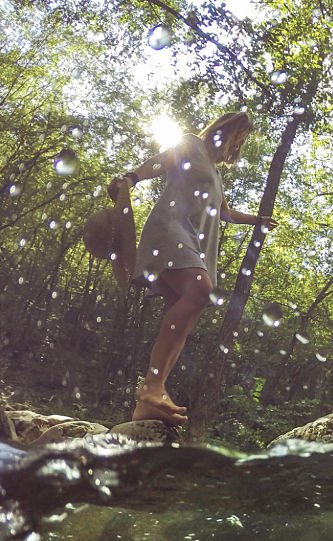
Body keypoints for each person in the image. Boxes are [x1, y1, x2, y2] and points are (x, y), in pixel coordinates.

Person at [109, 111, 278, 427]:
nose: (236, 147)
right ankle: (151, 387)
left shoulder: (215, 174)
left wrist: (259, 220)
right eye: (237, 139)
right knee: (200, 291)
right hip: (172, 230)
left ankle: (151, 397)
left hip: (198, 247)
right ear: (225, 131)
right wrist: (131, 179)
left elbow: (225, 213)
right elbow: (161, 161)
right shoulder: (190, 145)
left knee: (185, 318)